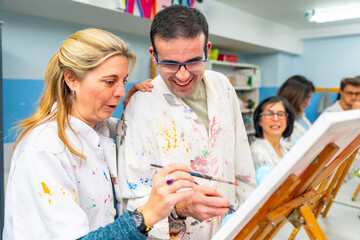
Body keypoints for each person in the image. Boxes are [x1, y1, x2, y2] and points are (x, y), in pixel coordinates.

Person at [3, 28, 198, 240]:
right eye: (109, 81)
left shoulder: (101, 129)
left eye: (123, 81)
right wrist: (147, 214)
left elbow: (134, 134)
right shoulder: (44, 150)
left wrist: (136, 106)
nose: (121, 91)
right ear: (71, 79)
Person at [116, 5, 257, 239]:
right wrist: (180, 209)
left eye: (193, 61)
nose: (182, 75)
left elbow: (242, 163)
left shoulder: (223, 86)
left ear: (207, 50)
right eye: (170, 63)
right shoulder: (141, 105)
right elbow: (132, 197)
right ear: (154, 56)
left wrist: (250, 216)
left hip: (230, 228)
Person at [322, 77, 360, 181]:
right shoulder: (331, 114)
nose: (353, 97)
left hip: (353, 167)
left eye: (357, 93)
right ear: (341, 92)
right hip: (333, 168)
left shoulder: (357, 109)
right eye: (349, 93)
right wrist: (356, 115)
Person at [251, 96, 295, 170]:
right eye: (269, 113)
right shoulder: (257, 152)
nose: (275, 119)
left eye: (280, 114)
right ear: (259, 121)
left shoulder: (285, 148)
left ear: (287, 120)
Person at [277, 75, 315, 149]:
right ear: (295, 97)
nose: (309, 103)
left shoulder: (300, 116)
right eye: (307, 98)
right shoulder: (279, 121)